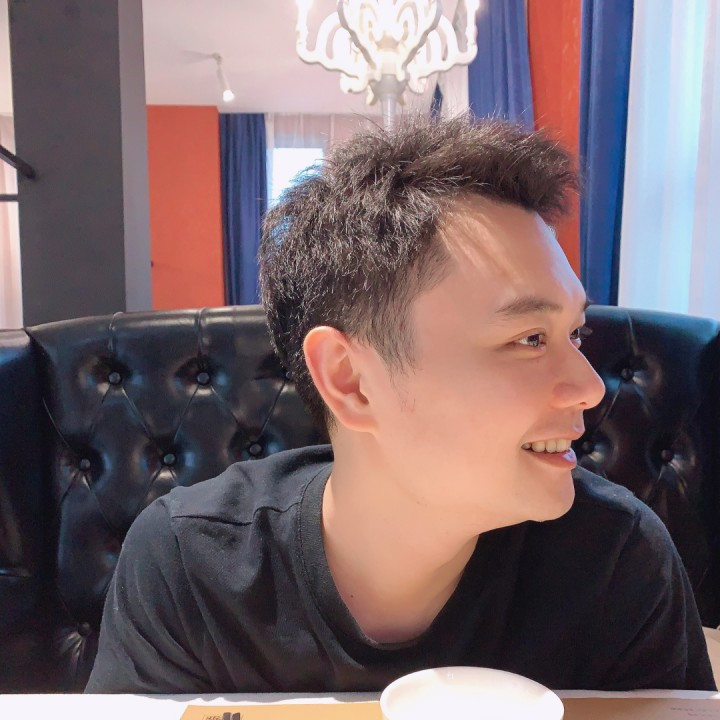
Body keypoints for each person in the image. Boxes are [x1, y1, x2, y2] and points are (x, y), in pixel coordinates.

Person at [86, 116, 715, 693]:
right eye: (528, 338)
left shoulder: (618, 561)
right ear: (352, 380)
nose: (590, 387)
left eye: (574, 333)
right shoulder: (190, 565)